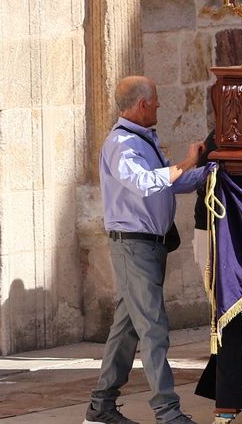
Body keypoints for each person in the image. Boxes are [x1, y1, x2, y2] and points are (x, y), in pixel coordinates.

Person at [87, 76, 208, 424]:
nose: (158, 106)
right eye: (155, 101)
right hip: (134, 248)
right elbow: (142, 182)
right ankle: (167, 413)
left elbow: (166, 183)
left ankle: (101, 407)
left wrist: (206, 171)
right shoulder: (122, 144)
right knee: (154, 328)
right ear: (142, 105)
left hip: (148, 248)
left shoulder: (142, 141)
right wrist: (185, 163)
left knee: (126, 330)